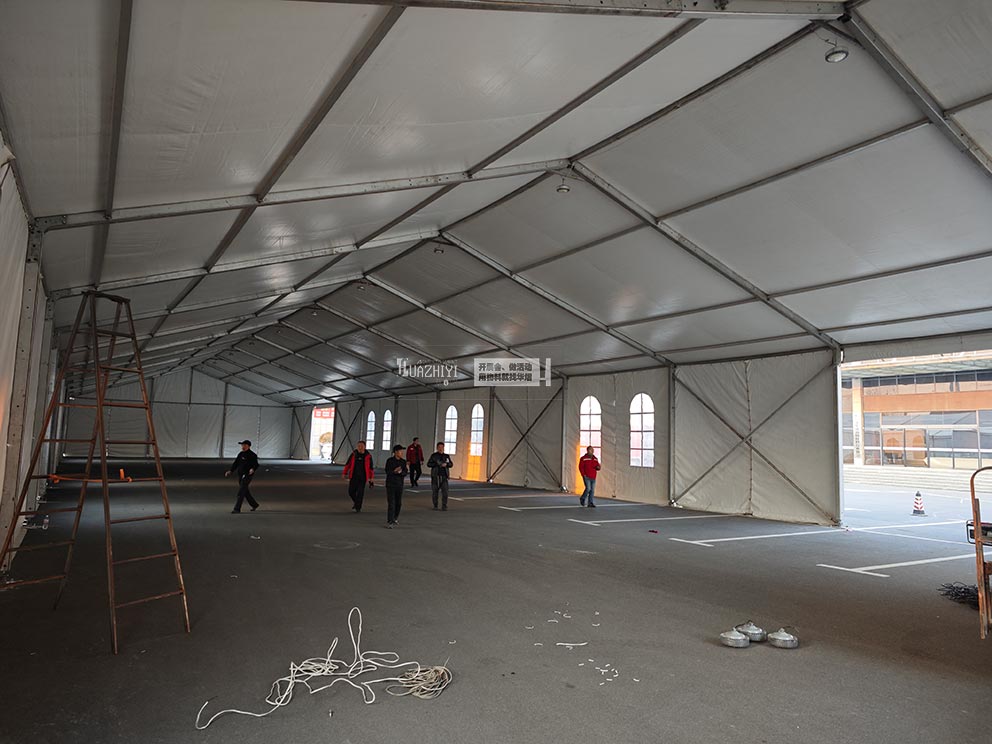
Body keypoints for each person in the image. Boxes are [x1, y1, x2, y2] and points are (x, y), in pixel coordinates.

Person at [225, 440, 259, 513]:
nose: (242, 447)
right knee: (245, 491)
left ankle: (237, 509)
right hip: (240, 475)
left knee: (241, 492)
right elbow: (236, 463)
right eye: (242, 445)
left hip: (247, 475)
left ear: (248, 446)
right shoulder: (241, 454)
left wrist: (253, 469)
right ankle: (254, 504)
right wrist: (230, 471)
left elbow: (256, 464)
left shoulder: (252, 455)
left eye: (244, 445)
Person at [343, 441, 375, 513]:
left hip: (363, 477)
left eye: (361, 446)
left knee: (360, 493)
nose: (360, 448)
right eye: (358, 446)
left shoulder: (368, 456)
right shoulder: (353, 454)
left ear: (365, 447)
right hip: (353, 476)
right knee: (351, 492)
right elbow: (348, 464)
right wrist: (344, 473)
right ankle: (356, 503)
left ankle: (358, 507)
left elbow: (371, 468)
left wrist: (371, 478)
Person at [384, 444, 408, 528]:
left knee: (399, 503)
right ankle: (390, 521)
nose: (402, 453)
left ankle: (395, 518)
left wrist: (401, 472)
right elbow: (387, 471)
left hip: (399, 484)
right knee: (391, 503)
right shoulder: (390, 461)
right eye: (400, 451)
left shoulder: (403, 462)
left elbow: (405, 472)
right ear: (395, 452)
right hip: (390, 484)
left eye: (402, 451)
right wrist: (394, 471)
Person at [427, 442, 453, 511]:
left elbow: (451, 464)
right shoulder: (434, 456)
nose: (440, 449)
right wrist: (437, 464)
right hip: (435, 476)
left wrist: (446, 465)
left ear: (444, 448)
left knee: (445, 492)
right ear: (437, 448)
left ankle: (444, 506)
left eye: (442, 447)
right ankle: (435, 505)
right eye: (439, 447)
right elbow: (428, 464)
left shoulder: (446, 456)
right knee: (435, 492)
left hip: (444, 476)